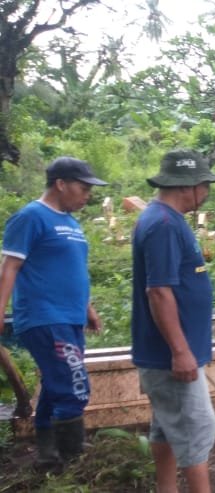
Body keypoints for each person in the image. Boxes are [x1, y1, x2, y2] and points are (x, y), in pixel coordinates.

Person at [0, 157, 106, 469]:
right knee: (74, 388)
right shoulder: (31, 217)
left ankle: (48, 454)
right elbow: (10, 267)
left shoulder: (71, 223)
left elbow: (70, 270)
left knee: (55, 383)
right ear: (61, 184)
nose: (88, 195)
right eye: (83, 188)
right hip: (44, 317)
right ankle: (72, 460)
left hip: (70, 317)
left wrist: (87, 308)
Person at [131, 149, 215, 493]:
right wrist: (181, 351)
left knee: (166, 429)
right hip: (170, 356)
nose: (207, 192)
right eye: (204, 185)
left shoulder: (163, 219)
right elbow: (158, 291)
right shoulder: (164, 225)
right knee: (197, 430)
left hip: (167, 353)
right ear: (188, 186)